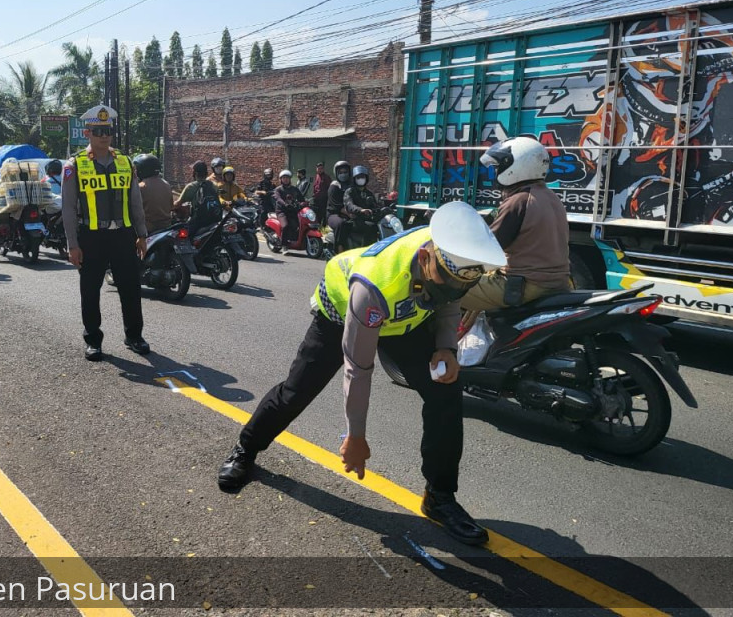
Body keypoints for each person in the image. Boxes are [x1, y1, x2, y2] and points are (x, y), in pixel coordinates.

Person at [217, 202, 508, 545]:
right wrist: (354, 436)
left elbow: (448, 300)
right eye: (445, 282)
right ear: (427, 258)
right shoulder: (374, 284)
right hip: (343, 313)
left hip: (404, 320)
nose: (451, 289)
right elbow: (358, 369)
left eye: (458, 285)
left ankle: (439, 496)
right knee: (297, 392)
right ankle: (246, 449)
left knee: (446, 390)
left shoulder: (450, 250)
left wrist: (446, 346)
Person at [61, 105, 150, 361]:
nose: (104, 136)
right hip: (91, 236)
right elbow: (68, 208)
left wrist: (141, 234)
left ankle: (134, 336)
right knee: (90, 290)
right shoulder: (75, 165)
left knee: (131, 288)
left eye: (108, 131)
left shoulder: (125, 162)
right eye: (98, 131)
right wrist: (72, 245)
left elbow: (135, 201)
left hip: (123, 235)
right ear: (88, 132)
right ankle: (93, 340)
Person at [460, 136, 571, 319]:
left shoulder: (518, 202)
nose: (496, 172)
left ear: (515, 166)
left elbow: (488, 248)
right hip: (557, 283)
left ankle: (441, 346)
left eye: (498, 167)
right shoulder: (551, 197)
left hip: (525, 286)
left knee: (446, 290)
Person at [175, 160, 224, 232]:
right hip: (214, 221)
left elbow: (177, 204)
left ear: (194, 173)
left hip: (197, 223)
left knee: (182, 236)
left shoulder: (191, 187)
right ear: (206, 173)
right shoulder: (214, 186)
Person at [342, 165, 381, 249]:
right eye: (358, 177)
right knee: (371, 227)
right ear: (354, 179)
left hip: (367, 218)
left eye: (362, 177)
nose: (361, 179)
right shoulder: (350, 191)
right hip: (355, 219)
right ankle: (365, 251)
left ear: (366, 178)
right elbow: (349, 205)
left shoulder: (369, 193)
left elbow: (375, 205)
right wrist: (361, 210)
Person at [134, 153, 173, 235]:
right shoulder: (166, 184)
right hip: (166, 228)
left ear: (142, 170)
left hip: (148, 230)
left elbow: (134, 210)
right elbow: (171, 206)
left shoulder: (140, 187)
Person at [272, 169, 305, 244]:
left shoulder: (294, 189)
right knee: (285, 226)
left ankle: (294, 240)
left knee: (298, 225)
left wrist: (305, 202)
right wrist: (284, 204)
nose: (286, 179)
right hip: (281, 211)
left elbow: (301, 198)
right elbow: (278, 198)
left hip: (292, 210)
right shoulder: (278, 189)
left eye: (287, 178)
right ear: (281, 179)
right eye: (284, 178)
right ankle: (284, 245)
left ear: (290, 179)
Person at [325, 160, 352, 239]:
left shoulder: (351, 186)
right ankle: (339, 248)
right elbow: (338, 207)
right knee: (340, 223)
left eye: (345, 172)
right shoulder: (334, 186)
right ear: (336, 173)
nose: (343, 174)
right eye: (340, 172)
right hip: (334, 214)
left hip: (350, 212)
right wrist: (350, 214)